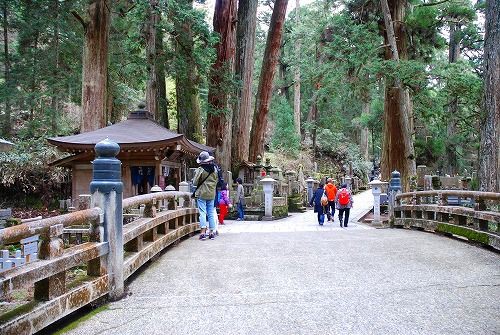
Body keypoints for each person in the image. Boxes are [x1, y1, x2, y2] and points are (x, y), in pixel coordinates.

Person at [192, 151, 218, 240]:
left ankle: (203, 232)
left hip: (202, 193)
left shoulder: (201, 169)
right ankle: (211, 232)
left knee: (202, 213)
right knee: (211, 213)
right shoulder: (215, 169)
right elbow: (216, 181)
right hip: (211, 193)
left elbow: (195, 182)